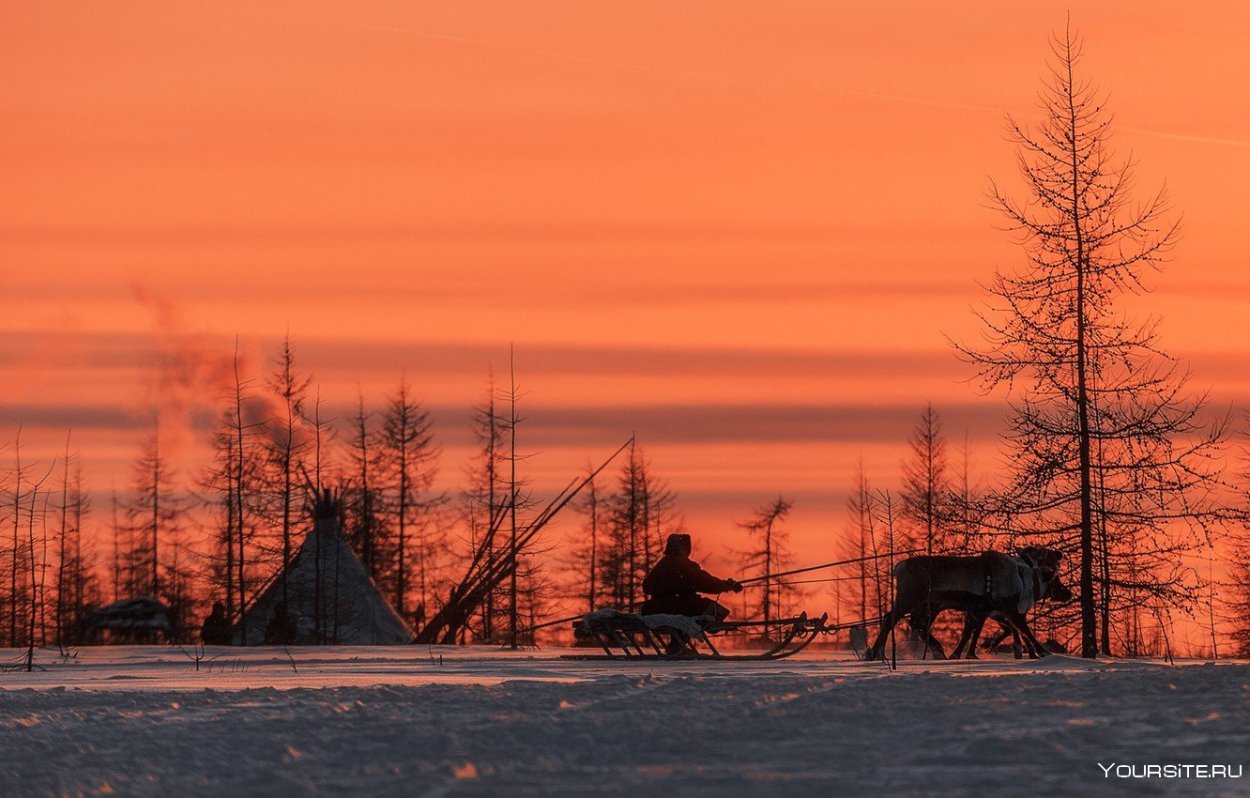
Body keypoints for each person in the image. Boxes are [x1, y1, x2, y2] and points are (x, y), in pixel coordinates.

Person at [641, 533, 743, 621]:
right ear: (684, 548)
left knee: (690, 608)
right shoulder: (684, 565)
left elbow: (647, 586)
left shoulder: (662, 564)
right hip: (677, 609)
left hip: (654, 609)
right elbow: (705, 582)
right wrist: (727, 585)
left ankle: (678, 640)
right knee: (715, 610)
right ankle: (701, 629)